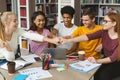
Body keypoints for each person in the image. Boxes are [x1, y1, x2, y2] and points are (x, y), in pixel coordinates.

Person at [60, 12, 120, 80]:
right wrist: (67, 40)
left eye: (106, 21)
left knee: (102, 76)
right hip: (105, 58)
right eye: (103, 21)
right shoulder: (104, 32)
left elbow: (113, 58)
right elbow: (87, 37)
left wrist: (97, 61)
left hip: (117, 62)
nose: (103, 23)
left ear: (114, 23)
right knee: (95, 74)